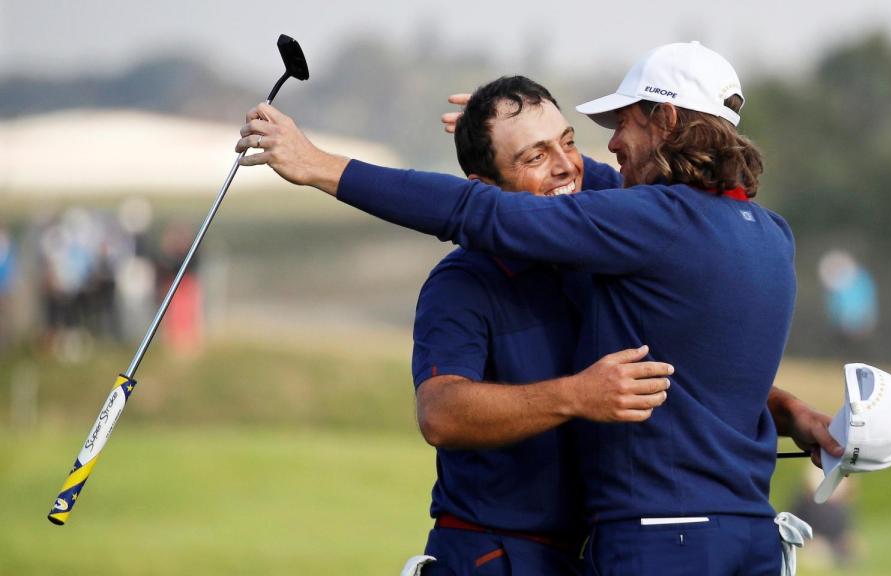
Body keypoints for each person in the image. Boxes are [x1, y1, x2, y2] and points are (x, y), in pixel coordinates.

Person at [237, 42, 841, 575]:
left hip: (653, 540)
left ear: (667, 120)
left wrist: (320, 166)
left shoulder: (640, 233)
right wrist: (784, 408)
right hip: (510, 555)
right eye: (537, 155)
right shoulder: (764, 232)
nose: (601, 151)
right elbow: (441, 414)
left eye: (608, 130)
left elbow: (567, 198)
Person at [409, 75, 673, 575]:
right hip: (495, 557)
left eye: (568, 142)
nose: (564, 167)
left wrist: (781, 408)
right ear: (483, 192)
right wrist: (576, 395)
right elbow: (440, 413)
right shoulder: (460, 282)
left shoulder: (601, 250)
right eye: (534, 157)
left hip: (594, 553)